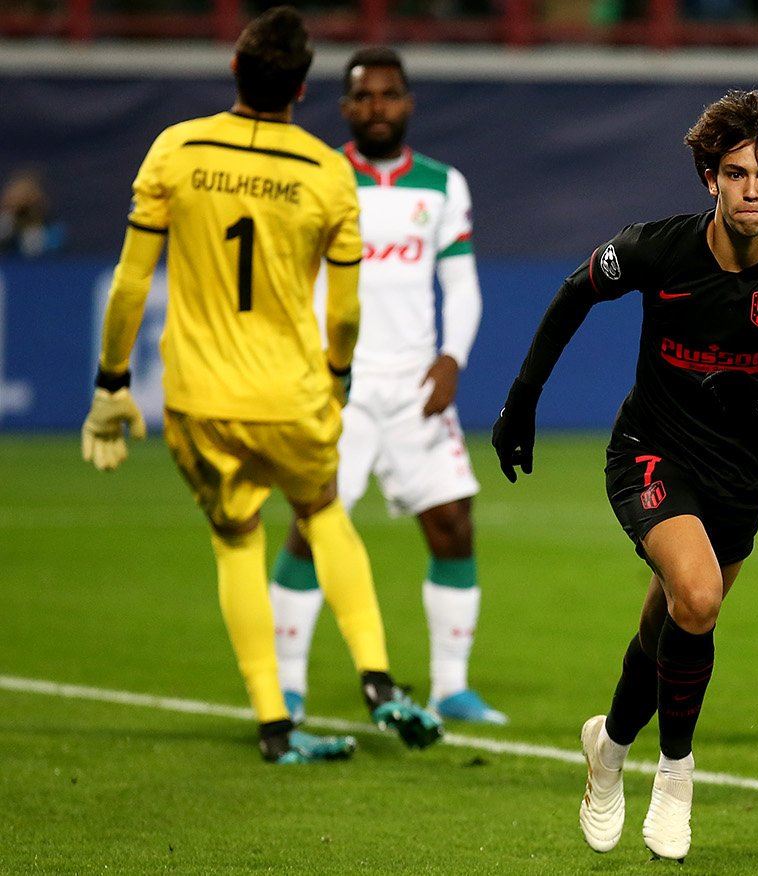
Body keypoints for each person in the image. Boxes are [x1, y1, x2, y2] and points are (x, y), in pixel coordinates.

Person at [491, 89, 758, 860]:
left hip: (741, 472)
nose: (750, 189)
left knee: (668, 622)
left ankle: (608, 748)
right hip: (649, 451)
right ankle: (675, 777)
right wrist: (522, 400)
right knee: (698, 597)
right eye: (735, 173)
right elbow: (574, 292)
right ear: (709, 179)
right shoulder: (657, 248)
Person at [80, 6, 443, 764]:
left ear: (235, 72)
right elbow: (345, 309)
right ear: (304, 89)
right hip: (292, 392)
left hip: (199, 395)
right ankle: (377, 677)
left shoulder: (176, 149)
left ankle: (275, 724)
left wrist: (112, 382)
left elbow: (130, 282)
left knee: (236, 541)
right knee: (324, 513)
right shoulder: (325, 172)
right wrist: (336, 375)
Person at [268, 46, 505, 727]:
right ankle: (287, 686)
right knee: (313, 527)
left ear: (408, 103)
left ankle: (451, 687)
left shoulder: (442, 185)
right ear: (345, 107)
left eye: (389, 94)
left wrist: (452, 358)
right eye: (364, 96)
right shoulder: (318, 178)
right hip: (335, 385)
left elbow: (460, 284)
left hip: (414, 386)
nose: (378, 106)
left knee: (452, 523)